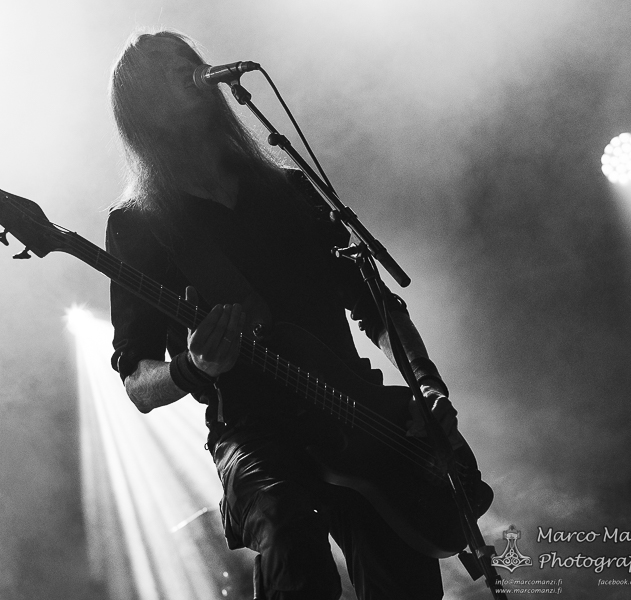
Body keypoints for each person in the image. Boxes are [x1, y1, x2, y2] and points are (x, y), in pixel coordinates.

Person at [106, 30, 480, 600]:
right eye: (164, 66)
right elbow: (138, 382)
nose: (185, 68)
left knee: (404, 575)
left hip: (357, 413)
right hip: (254, 433)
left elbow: (375, 304)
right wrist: (193, 367)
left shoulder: (288, 189)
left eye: (188, 58)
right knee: (289, 533)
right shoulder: (140, 223)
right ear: (142, 105)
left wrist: (427, 388)